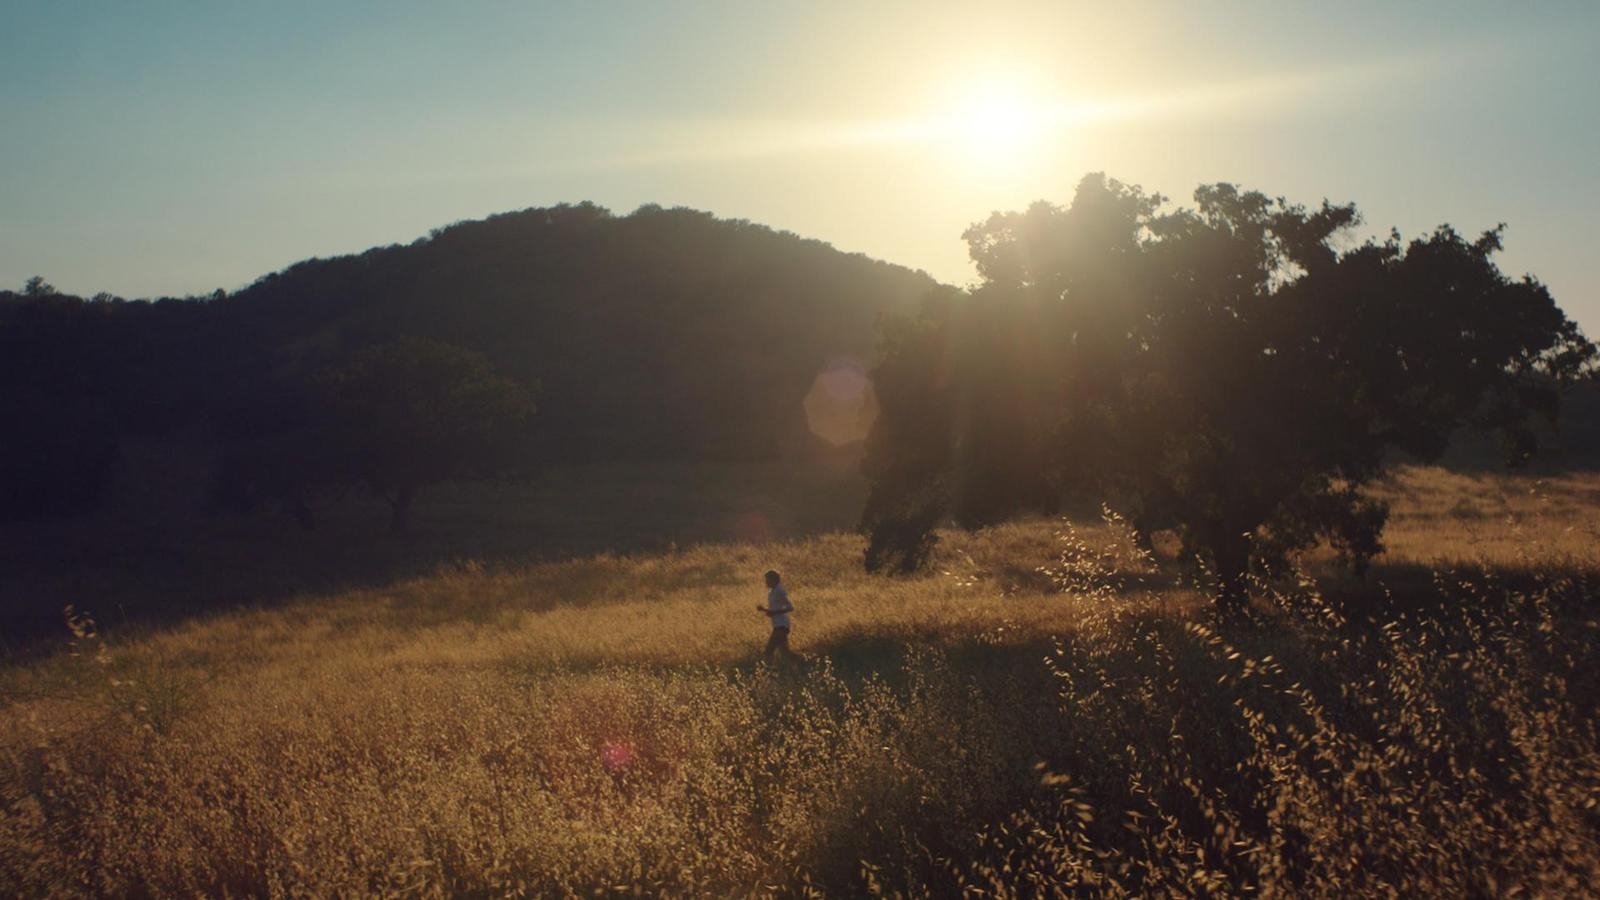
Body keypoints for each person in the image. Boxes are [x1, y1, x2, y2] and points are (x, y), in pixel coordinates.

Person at [757, 569, 797, 664]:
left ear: (773, 580)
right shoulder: (772, 592)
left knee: (769, 650)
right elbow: (774, 610)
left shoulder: (780, 591)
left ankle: (770, 670)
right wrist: (765, 610)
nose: (766, 582)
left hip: (781, 625)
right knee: (784, 652)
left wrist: (773, 613)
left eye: (767, 580)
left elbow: (790, 607)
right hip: (777, 625)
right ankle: (802, 664)